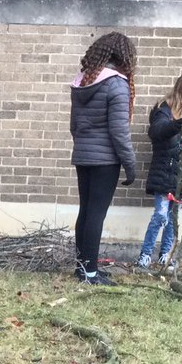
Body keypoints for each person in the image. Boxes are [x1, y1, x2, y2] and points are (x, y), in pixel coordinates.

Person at [70, 31, 139, 284]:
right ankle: (90, 273)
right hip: (105, 160)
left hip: (84, 156)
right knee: (96, 214)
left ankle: (82, 268)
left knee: (86, 212)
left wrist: (84, 148)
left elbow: (74, 125)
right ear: (123, 56)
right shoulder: (117, 84)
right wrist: (130, 166)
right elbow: (119, 131)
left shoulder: (83, 80)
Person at [139, 73, 182, 269]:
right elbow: (156, 132)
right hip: (164, 173)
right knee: (161, 215)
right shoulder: (164, 110)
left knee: (173, 218)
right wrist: (176, 125)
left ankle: (165, 255)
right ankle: (145, 254)